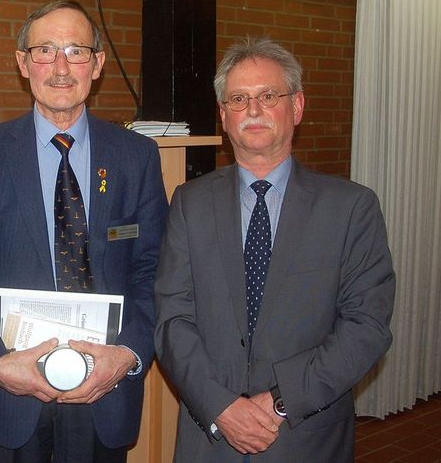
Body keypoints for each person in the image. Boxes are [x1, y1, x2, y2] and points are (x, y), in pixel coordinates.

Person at [153, 36, 396, 462]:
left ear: (297, 107)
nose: (252, 110)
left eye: (268, 96)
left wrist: (280, 401)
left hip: (304, 434)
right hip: (209, 439)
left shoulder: (351, 208)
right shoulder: (189, 203)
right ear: (223, 115)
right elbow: (172, 317)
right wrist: (222, 406)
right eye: (238, 99)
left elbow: (366, 327)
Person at [0, 0, 168, 462]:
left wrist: (129, 354)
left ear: (97, 64)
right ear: (22, 62)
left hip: (103, 390)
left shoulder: (137, 157)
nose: (60, 67)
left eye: (75, 51)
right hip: (12, 397)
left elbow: (155, 270)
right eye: (45, 51)